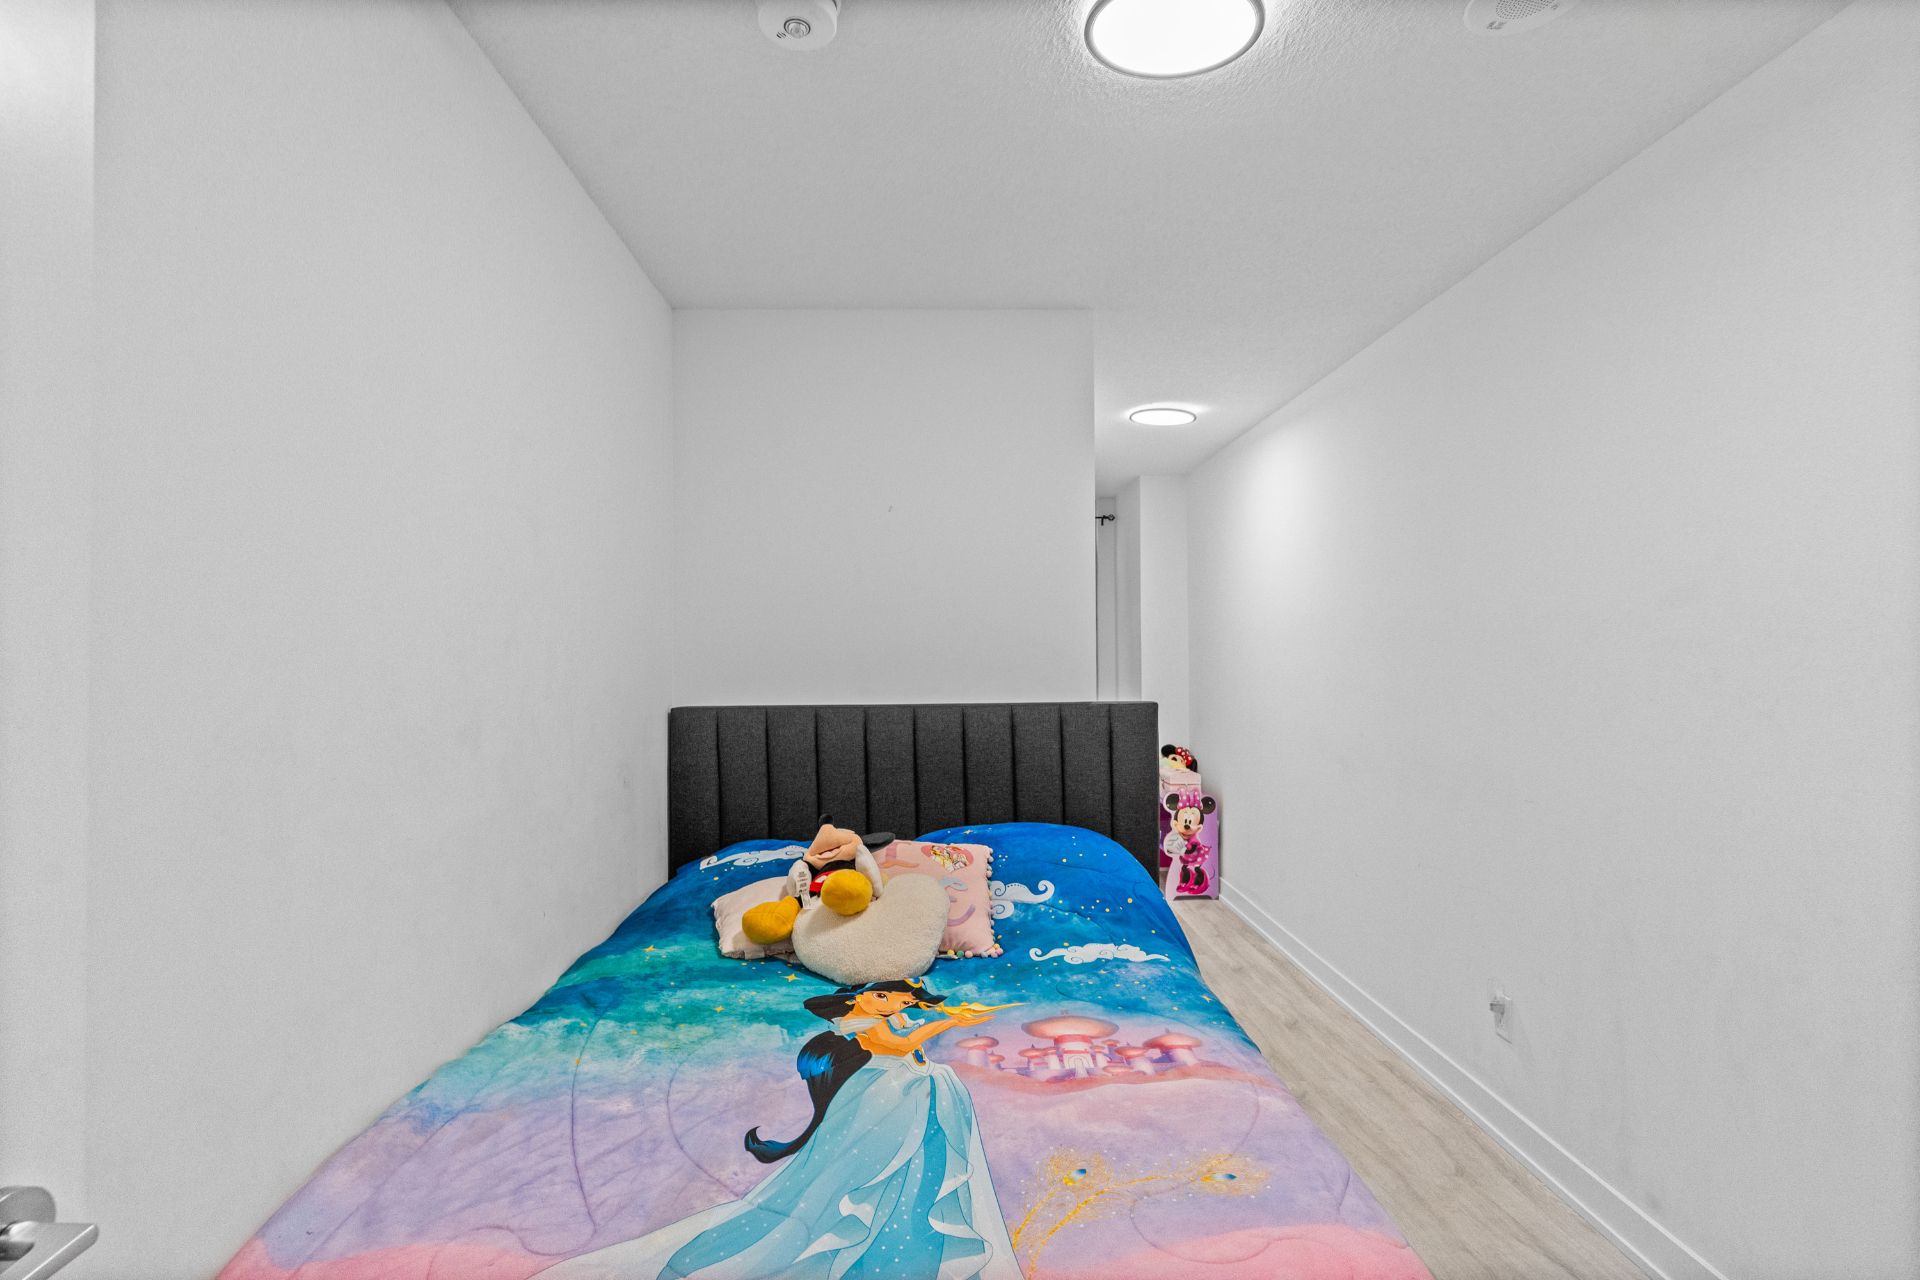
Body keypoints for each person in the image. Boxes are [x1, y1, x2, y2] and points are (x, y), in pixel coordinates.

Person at [539, 979, 1021, 1280]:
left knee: (903, 1172)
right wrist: (948, 1021)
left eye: (902, 999)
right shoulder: (857, 1020)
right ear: (859, 996)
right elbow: (896, 1046)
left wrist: (936, 1013)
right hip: (880, 1101)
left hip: (900, 1098)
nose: (895, 1004)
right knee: (850, 1175)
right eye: (885, 995)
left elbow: (903, 1038)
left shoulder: (884, 1016)